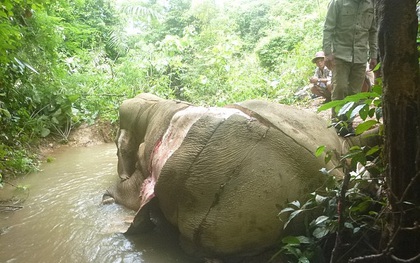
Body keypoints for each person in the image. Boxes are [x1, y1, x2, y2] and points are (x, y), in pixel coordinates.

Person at [323, 0, 378, 136]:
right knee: (340, 88)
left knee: (354, 93)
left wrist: (374, 56)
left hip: (360, 56)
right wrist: (327, 53)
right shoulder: (338, 3)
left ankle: (348, 124)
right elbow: (328, 28)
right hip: (340, 55)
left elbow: (373, 32)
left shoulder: (370, 4)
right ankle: (337, 123)